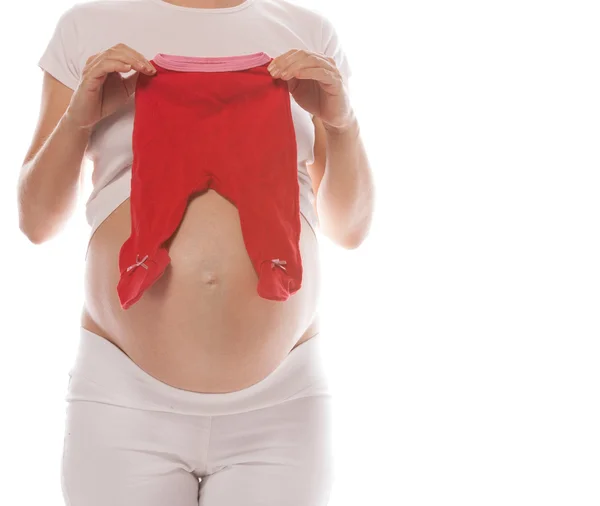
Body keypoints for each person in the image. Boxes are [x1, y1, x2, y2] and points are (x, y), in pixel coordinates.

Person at [17, 0, 374, 504]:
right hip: (123, 402)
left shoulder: (306, 32)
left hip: (281, 405)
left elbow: (351, 230)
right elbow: (35, 224)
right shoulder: (87, 26)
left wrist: (343, 124)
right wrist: (79, 118)